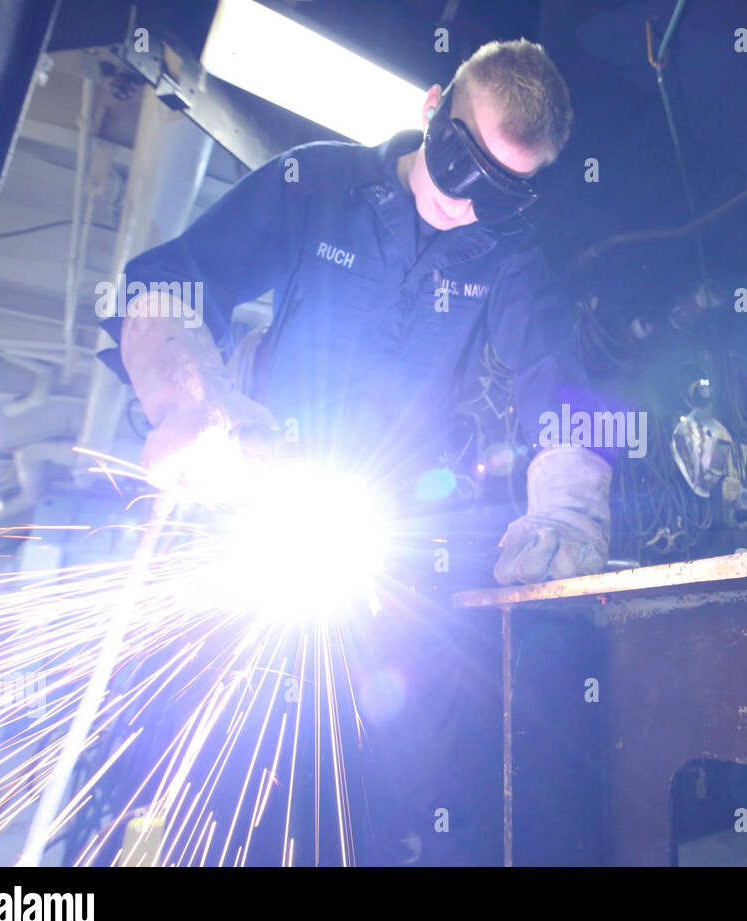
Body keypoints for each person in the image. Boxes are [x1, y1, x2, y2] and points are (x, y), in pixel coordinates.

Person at [95, 39, 613, 865]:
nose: (466, 204)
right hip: (258, 505)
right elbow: (174, 281)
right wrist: (190, 394)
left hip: (390, 555)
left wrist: (567, 508)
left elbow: (559, 381)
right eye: (458, 163)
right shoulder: (319, 181)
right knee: (202, 755)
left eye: (501, 194)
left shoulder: (510, 257)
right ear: (432, 107)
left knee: (378, 780)